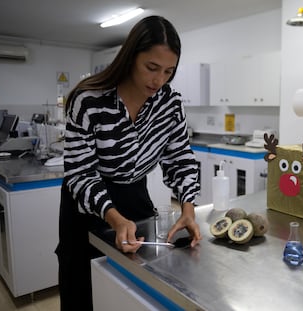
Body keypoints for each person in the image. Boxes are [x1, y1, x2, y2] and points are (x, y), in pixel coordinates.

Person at [55, 15, 202, 311]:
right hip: (86, 204)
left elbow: (181, 159)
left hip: (134, 196)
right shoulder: (89, 100)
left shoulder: (170, 104)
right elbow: (81, 174)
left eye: (168, 71)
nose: (159, 80)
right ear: (131, 57)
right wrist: (114, 218)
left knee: (135, 286)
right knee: (82, 288)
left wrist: (187, 208)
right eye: (151, 67)